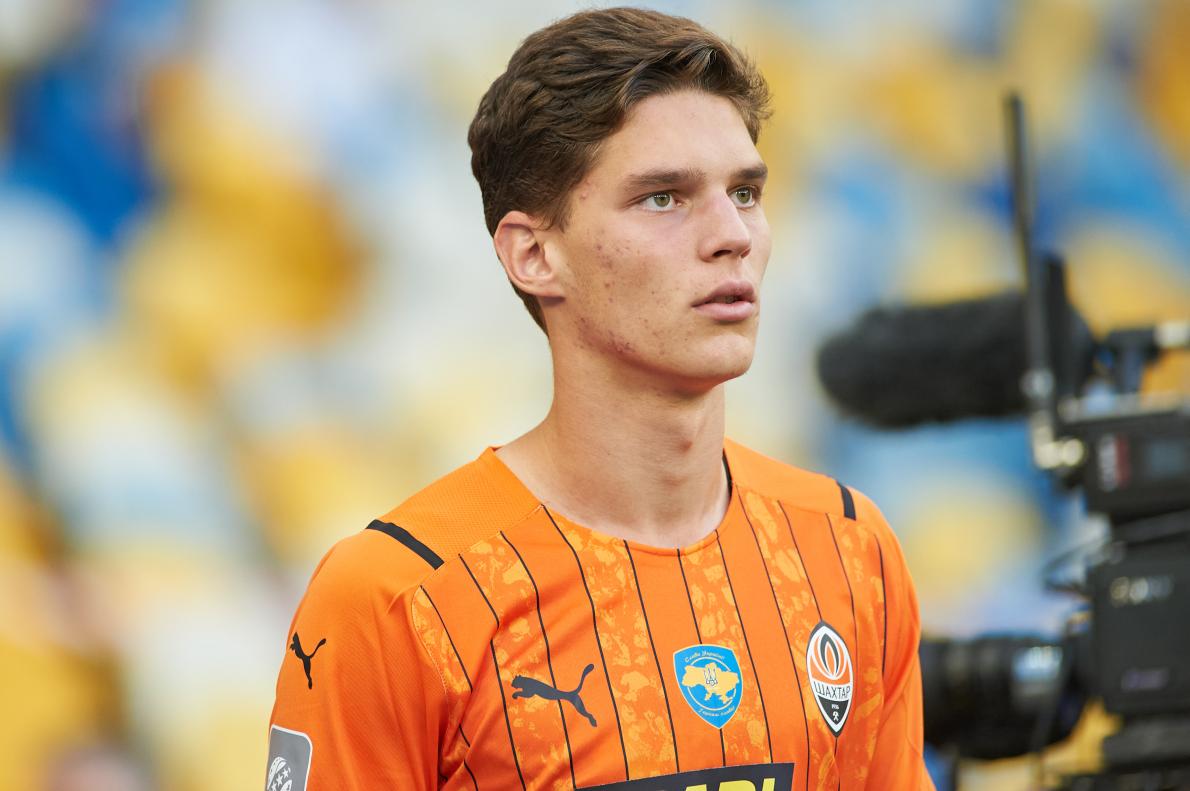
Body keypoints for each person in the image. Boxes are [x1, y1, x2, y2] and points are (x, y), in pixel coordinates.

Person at [266, 7, 934, 790]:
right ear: (534, 254)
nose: (733, 235)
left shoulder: (849, 551)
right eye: (664, 197)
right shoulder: (396, 597)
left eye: (746, 192)